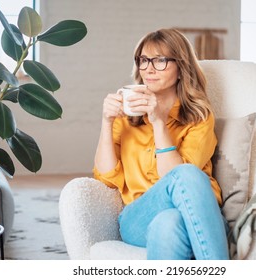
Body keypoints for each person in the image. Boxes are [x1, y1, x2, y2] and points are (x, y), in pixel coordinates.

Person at [93, 28, 229, 260]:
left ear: (181, 68)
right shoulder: (125, 117)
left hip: (197, 214)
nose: (148, 68)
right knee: (184, 175)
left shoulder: (199, 117)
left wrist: (158, 122)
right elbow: (105, 177)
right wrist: (106, 122)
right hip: (138, 217)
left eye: (160, 60)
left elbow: (178, 179)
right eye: (144, 60)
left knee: (168, 223)